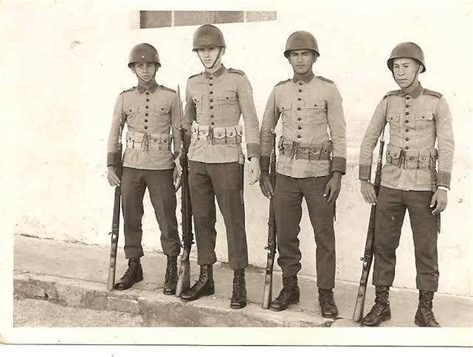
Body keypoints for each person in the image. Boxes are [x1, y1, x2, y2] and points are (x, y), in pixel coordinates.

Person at [358, 42, 454, 327]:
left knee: (426, 248)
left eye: (406, 66)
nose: (400, 73)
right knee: (384, 245)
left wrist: (444, 187)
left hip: (424, 187)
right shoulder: (388, 100)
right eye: (396, 67)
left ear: (419, 68)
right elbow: (369, 139)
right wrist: (364, 178)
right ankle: (381, 304)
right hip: (389, 185)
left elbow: (446, 146)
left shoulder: (437, 101)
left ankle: (424, 309)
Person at [259, 31, 347, 318]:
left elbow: (340, 133)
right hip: (285, 173)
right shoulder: (279, 90)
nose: (300, 59)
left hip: (319, 174)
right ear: (289, 58)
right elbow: (266, 130)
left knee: (324, 235)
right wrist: (264, 169)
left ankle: (325, 293)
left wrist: (337, 173)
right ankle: (290, 286)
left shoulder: (328, 89)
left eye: (305, 54)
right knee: (285, 233)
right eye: (294, 54)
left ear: (314, 57)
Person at [179, 24, 261, 309]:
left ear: (222, 50)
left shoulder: (238, 80)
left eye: (211, 49)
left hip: (227, 160)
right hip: (198, 159)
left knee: (233, 222)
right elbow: (187, 118)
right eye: (202, 50)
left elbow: (251, 120)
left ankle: (239, 281)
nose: (207, 55)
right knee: (201, 219)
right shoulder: (192, 83)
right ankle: (205, 276)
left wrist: (254, 158)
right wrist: (183, 143)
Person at [106, 43, 182, 294]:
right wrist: (111, 165)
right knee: (131, 217)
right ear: (133, 68)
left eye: (150, 65)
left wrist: (179, 163)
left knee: (167, 219)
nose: (145, 70)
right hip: (131, 167)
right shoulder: (125, 97)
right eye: (140, 65)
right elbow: (115, 133)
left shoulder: (170, 96)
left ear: (156, 67)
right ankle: (134, 265)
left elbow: (178, 134)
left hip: (161, 166)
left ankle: (172, 266)